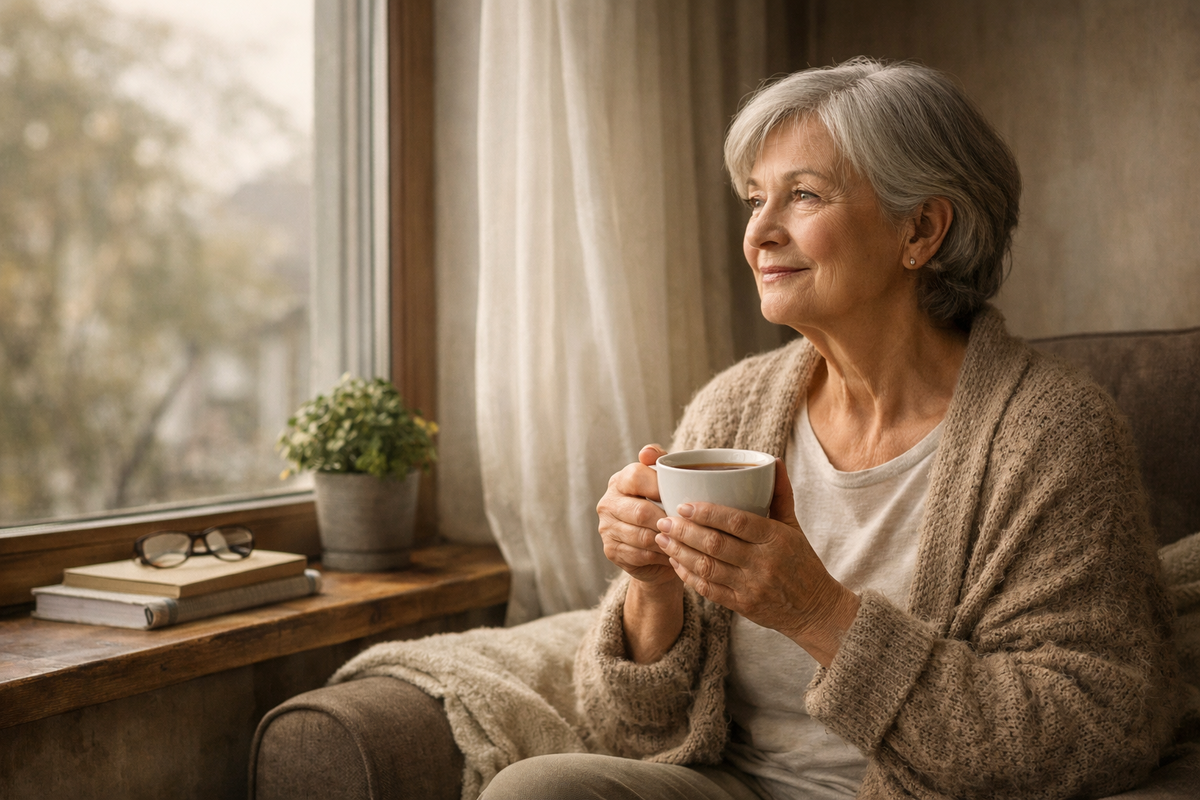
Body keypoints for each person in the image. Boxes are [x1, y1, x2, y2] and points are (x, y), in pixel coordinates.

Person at [480, 57, 1179, 800]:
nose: (759, 233)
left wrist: (818, 613)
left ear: (921, 229)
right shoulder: (734, 406)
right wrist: (653, 588)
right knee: (535, 790)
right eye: (756, 200)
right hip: (733, 785)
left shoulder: (1053, 436)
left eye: (804, 195)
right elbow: (629, 731)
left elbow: (1099, 728)